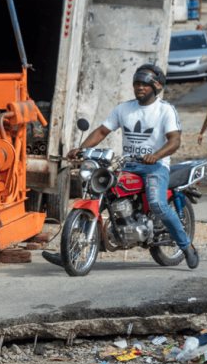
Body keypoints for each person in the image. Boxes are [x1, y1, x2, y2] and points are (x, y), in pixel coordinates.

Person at [67, 64, 200, 269]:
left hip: (156, 167)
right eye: (137, 84)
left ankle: (187, 247)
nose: (139, 88)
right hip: (128, 165)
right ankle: (73, 248)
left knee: (157, 203)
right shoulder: (124, 109)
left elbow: (174, 141)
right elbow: (102, 131)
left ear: (156, 87)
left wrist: (155, 156)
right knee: (104, 192)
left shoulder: (165, 110)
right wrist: (81, 149)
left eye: (144, 85)